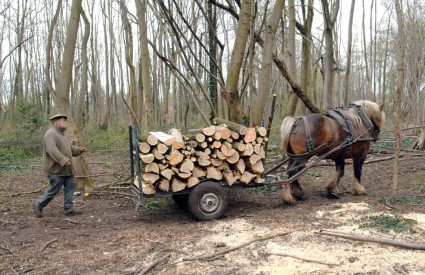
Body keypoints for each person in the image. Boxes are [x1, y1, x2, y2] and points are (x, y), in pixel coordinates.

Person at [34, 114, 87, 218]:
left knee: (70, 188)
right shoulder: (50, 134)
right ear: (56, 122)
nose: (66, 122)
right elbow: (51, 150)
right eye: (64, 120)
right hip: (56, 169)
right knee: (54, 190)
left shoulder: (62, 134)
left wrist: (79, 150)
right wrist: (63, 160)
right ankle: (38, 204)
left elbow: (69, 148)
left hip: (67, 169)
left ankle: (69, 209)